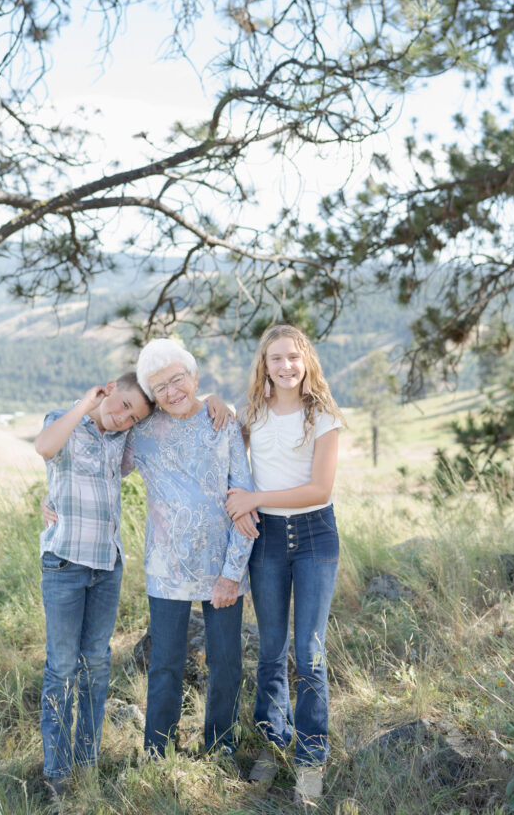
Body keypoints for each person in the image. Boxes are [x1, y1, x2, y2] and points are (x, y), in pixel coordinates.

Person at [224, 324, 343, 807]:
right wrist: (213, 400)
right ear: (264, 365)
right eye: (276, 358)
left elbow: (320, 490)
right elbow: (225, 449)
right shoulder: (251, 414)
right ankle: (274, 743)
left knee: (311, 653)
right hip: (267, 540)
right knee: (272, 649)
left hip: (315, 535)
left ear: (306, 361)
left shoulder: (325, 417)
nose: (286, 366)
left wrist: (256, 496)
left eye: (294, 357)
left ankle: (312, 755)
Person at [124, 337, 256, 760]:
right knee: (164, 664)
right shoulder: (141, 435)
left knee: (225, 662)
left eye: (178, 379)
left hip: (221, 566)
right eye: (160, 386)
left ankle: (221, 747)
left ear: (194, 377)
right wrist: (53, 493)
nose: (172, 390)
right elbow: (102, 460)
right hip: (166, 568)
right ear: (152, 395)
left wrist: (233, 572)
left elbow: (244, 498)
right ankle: (157, 752)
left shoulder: (224, 422)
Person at [34, 373, 153, 805]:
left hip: (107, 566)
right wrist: (86, 404)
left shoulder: (121, 441)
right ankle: (57, 774)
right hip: (65, 564)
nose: (122, 418)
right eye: (121, 405)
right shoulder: (67, 420)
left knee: (96, 666)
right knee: (62, 669)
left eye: (133, 416)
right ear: (108, 390)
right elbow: (44, 448)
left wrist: (211, 400)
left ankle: (88, 762)